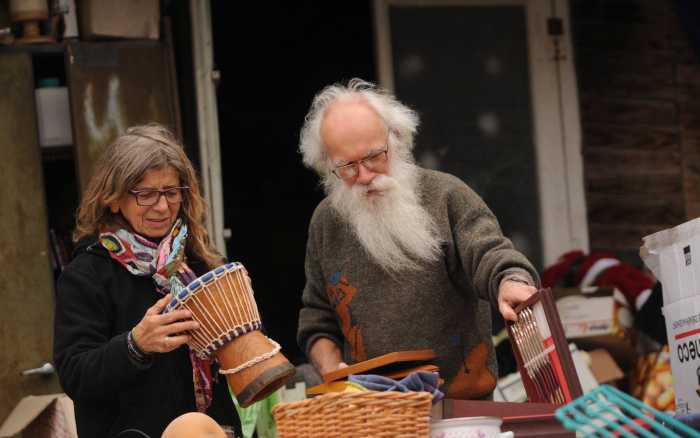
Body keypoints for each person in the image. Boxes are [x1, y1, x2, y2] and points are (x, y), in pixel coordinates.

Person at [296, 79, 540, 399]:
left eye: (374, 156)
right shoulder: (326, 222)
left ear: (396, 140)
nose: (365, 175)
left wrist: (510, 280)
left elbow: (488, 252)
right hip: (372, 413)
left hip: (460, 404)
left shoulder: (447, 196)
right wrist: (334, 373)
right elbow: (318, 318)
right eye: (348, 166)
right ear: (328, 165)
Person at [53, 124, 241, 437]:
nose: (162, 206)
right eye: (146, 194)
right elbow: (75, 375)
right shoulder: (86, 275)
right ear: (113, 200)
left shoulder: (197, 262)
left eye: (171, 192)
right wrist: (135, 345)